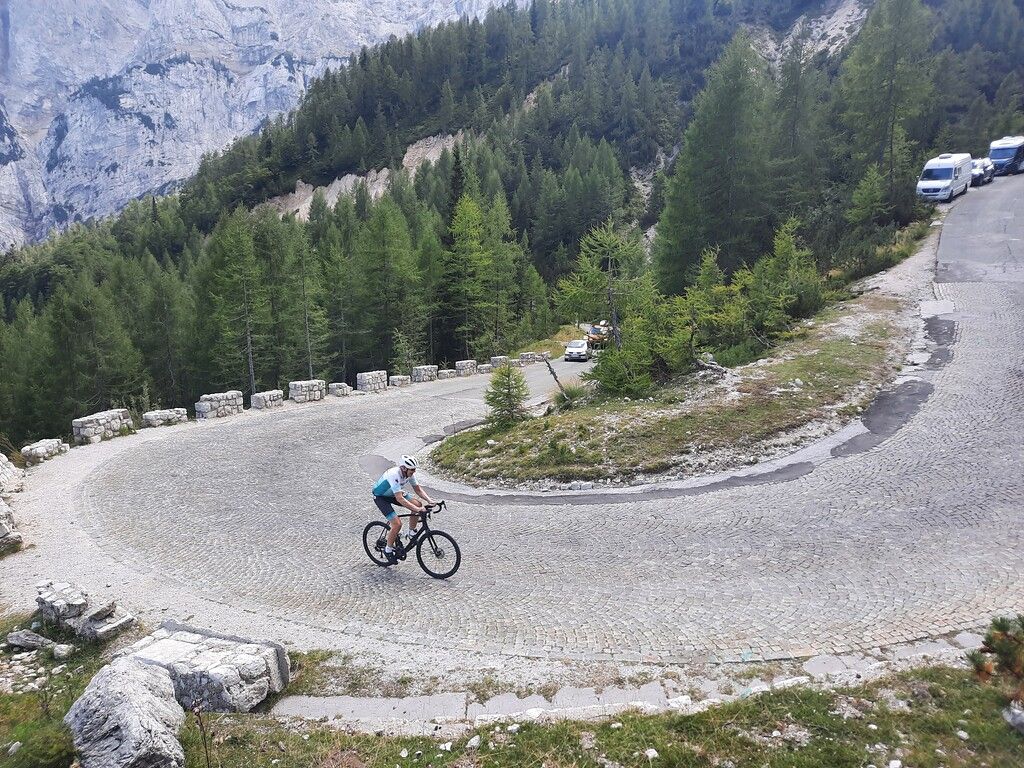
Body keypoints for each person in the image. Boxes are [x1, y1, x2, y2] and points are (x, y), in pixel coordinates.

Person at [371, 455, 435, 563]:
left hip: (393, 493)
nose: (414, 472)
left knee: (418, 504)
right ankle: (388, 549)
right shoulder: (394, 475)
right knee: (397, 524)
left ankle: (411, 532)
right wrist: (417, 509)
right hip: (381, 497)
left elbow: (418, 489)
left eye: (415, 469)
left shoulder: (409, 474)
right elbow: (400, 499)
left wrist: (430, 501)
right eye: (412, 470)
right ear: (404, 468)